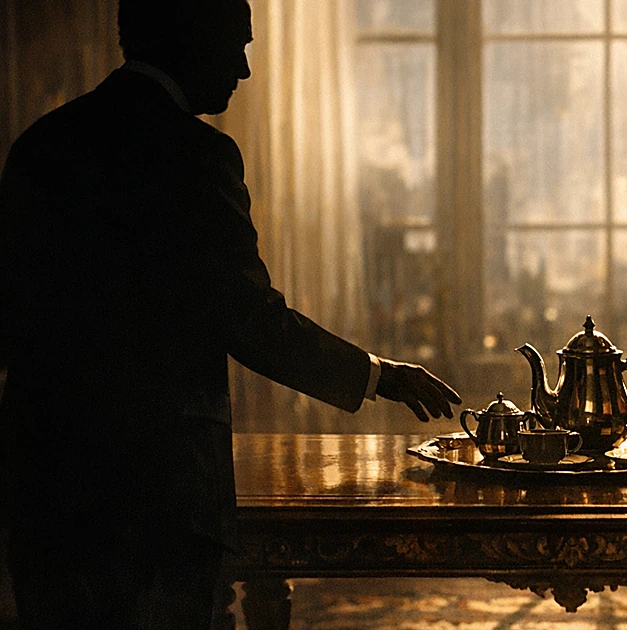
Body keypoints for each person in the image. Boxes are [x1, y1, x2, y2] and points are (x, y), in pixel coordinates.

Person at [0, 0, 461, 627]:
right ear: (188, 39)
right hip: (162, 501)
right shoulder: (196, 157)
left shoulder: (39, 147)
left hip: (45, 489)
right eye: (237, 46)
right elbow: (250, 320)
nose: (244, 70)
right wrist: (379, 375)